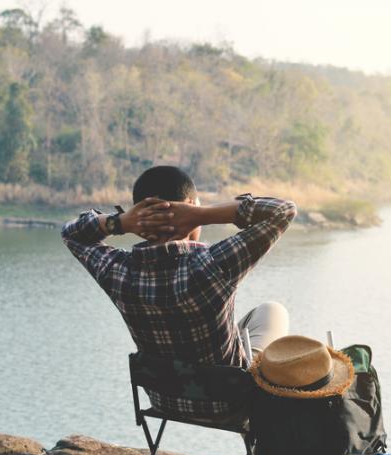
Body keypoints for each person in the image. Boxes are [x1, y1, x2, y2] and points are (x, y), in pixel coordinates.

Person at [61, 165, 297, 417]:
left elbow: (71, 234)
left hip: (165, 400)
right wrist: (204, 214)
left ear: (138, 213)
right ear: (189, 206)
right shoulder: (213, 264)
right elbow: (283, 210)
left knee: (243, 326)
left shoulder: (118, 272)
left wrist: (120, 223)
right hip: (231, 400)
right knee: (273, 311)